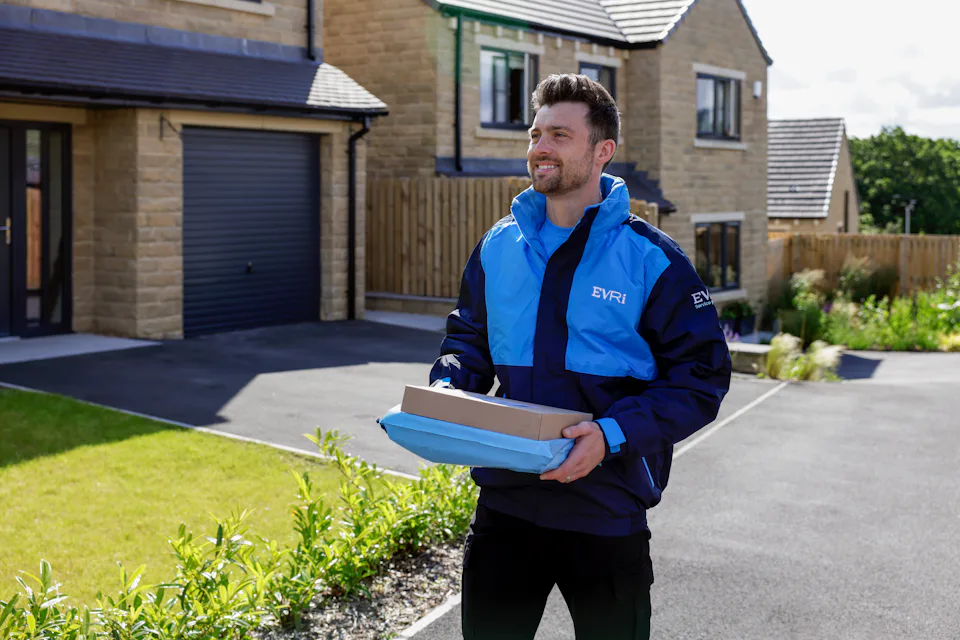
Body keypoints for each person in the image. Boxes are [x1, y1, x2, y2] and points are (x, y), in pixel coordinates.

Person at [429, 74, 732, 640]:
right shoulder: (499, 247)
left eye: (560, 135)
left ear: (602, 152)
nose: (540, 147)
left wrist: (612, 434)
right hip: (506, 509)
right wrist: (448, 389)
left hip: (606, 514)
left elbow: (701, 379)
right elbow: (467, 339)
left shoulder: (652, 261)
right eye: (536, 133)